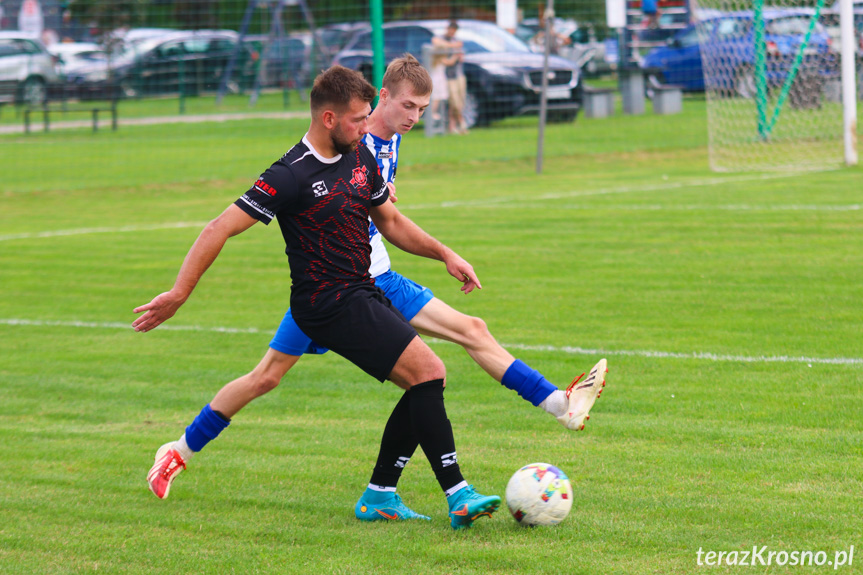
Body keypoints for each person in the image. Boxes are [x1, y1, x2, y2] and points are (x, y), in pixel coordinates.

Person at [141, 57, 607, 525]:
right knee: (428, 371)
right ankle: (458, 492)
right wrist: (179, 294)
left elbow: (392, 222)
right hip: (326, 303)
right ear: (329, 119)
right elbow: (219, 227)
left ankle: (189, 453)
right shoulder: (289, 174)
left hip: (361, 291)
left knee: (390, 379)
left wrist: (444, 253)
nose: (369, 127)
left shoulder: (361, 155)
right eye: (359, 118)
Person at [433, 21, 468, 134]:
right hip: (447, 76)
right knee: (454, 101)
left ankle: (453, 126)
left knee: (460, 102)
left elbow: (461, 56)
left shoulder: (456, 40)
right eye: (451, 29)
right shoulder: (441, 39)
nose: (452, 32)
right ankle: (461, 123)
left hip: (459, 74)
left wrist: (459, 55)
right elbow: (436, 42)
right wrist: (454, 49)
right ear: (447, 28)